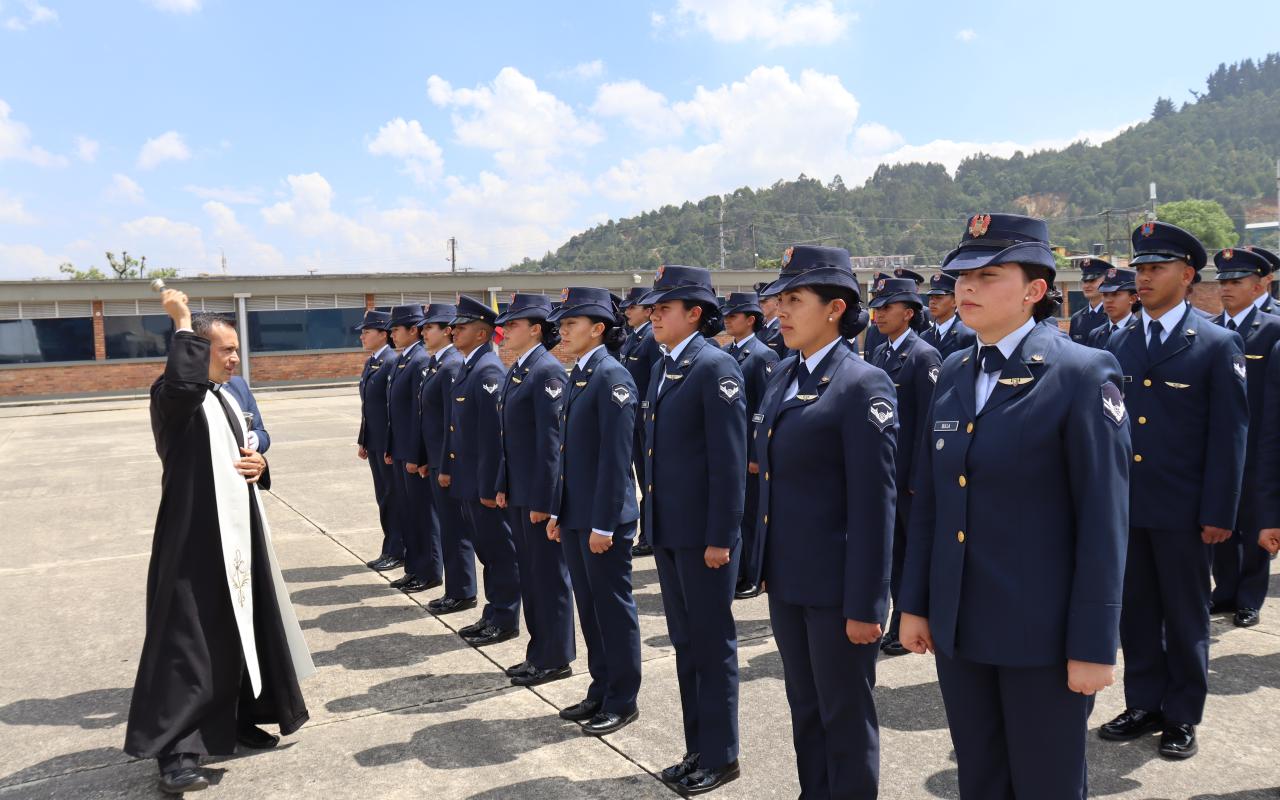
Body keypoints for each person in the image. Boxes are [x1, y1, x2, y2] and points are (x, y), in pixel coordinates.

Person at [897, 213, 1130, 799]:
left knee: (1046, 782)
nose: (966, 287)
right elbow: (932, 502)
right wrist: (917, 604)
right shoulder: (953, 370)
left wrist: (1094, 644)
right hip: (960, 629)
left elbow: (1104, 521)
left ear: (1034, 291)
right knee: (980, 778)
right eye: (961, 276)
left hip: (1041, 636)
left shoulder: (1080, 373)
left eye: (988, 274)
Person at [125, 290, 313, 795]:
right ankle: (177, 748)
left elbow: (249, 448)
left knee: (238, 629)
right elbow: (183, 384)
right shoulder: (173, 396)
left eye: (236, 349)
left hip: (237, 533)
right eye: (223, 350)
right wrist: (182, 321)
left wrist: (261, 465)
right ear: (193, 352)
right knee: (188, 642)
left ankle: (231, 720)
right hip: (193, 538)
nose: (234, 358)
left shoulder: (226, 396)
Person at [747, 245, 897, 799]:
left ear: (835, 308)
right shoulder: (784, 373)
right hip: (789, 581)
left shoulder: (861, 385)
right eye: (778, 300)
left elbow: (874, 505)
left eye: (793, 300)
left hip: (837, 589)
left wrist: (866, 605)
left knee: (845, 714)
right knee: (805, 707)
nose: (779, 311)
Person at [1099, 221, 1247, 760]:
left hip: (1185, 512)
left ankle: (1182, 713)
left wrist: (1219, 511)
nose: (1143, 278)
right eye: (1139, 268)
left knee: (1185, 616)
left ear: (1187, 276)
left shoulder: (1215, 343)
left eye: (1155, 268)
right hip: (1128, 506)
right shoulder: (1117, 341)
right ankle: (1144, 702)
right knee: (1134, 611)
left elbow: (1230, 437)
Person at [639, 265, 746, 795]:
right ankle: (697, 746)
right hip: (671, 531)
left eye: (665, 308)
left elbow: (729, 462)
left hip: (704, 539)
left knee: (711, 644)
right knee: (685, 644)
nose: (654, 314)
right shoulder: (665, 367)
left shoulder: (714, 367)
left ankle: (722, 754)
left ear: (695, 314)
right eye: (653, 307)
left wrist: (721, 538)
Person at [546, 287, 643, 735]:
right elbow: (569, 455)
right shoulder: (580, 374)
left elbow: (615, 459)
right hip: (576, 516)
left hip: (603, 521)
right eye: (562, 324)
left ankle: (622, 699)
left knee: (612, 610)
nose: (562, 331)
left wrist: (604, 523)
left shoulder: (612, 377)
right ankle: (600, 687)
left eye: (571, 324)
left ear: (598, 329)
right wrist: (557, 512)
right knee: (590, 608)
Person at [493, 294, 575, 686]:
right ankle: (538, 652)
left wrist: (546, 502)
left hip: (537, 500)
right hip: (520, 494)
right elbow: (509, 439)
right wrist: (504, 486)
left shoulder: (547, 372)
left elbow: (551, 446)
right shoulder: (520, 369)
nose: (505, 331)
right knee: (531, 578)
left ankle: (556, 656)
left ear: (536, 329)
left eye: (513, 325)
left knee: (548, 579)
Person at [440, 296, 522, 646]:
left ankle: (504, 618)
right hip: (468, 480)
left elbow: (494, 436)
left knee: (499, 553)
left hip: (483, 483)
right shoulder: (468, 365)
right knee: (486, 552)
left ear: (482, 333)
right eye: (454, 326)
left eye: (462, 326)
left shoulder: (488, 369)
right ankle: (493, 612)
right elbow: (457, 428)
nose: (454, 331)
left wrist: (491, 487)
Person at [866, 276, 942, 657]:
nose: (877, 314)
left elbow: (929, 422)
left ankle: (911, 619)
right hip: (888, 475)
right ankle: (898, 619)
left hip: (910, 479)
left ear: (908, 313)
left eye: (886, 308)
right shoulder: (880, 353)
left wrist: (918, 477)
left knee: (914, 554)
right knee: (893, 553)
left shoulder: (924, 356)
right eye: (876, 307)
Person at [1210, 248, 1280, 627]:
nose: (1226, 289)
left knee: (1254, 523)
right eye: (1222, 281)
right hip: (1218, 444)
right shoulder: (1209, 328)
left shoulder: (1272, 330)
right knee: (1221, 520)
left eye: (1235, 282)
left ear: (1258, 286)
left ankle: (1250, 597)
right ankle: (1224, 592)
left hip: (1256, 444)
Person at [416, 304, 479, 617]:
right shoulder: (438, 364)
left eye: (431, 327)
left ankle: (463, 590)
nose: (424, 332)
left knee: (455, 529)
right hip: (439, 459)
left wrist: (445, 464)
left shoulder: (452, 365)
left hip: (449, 462)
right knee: (449, 528)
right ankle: (455, 589)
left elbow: (451, 424)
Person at [719, 291, 779, 600]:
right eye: (726, 315)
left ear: (751, 320)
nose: (727, 319)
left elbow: (766, 409)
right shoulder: (728, 353)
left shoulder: (762, 356)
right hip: (732, 449)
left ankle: (755, 574)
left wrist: (757, 453)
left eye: (733, 315)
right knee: (736, 512)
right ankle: (739, 569)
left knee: (753, 515)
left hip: (750, 451)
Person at [385, 305, 444, 595]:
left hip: (413, 453)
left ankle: (429, 570)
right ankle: (414, 567)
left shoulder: (420, 360)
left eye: (397, 329)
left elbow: (419, 416)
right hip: (401, 451)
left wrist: (415, 455)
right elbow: (393, 412)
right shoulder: (403, 360)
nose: (392, 335)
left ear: (412, 331)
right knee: (409, 513)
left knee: (424, 515)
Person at [354, 310, 404, 572]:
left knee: (392, 497)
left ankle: (397, 550)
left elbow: (392, 409)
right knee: (383, 497)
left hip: (387, 444)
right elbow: (369, 407)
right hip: (374, 442)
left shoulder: (390, 362)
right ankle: (390, 547)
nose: (362, 336)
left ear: (383, 335)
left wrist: (387, 444)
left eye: (367, 331)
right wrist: (364, 439)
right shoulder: (373, 361)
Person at [619, 287, 662, 558]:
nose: (627, 311)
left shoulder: (652, 339)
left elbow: (656, 380)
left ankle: (650, 534)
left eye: (632, 307)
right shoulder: (633, 338)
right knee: (641, 478)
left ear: (647, 310)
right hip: (634, 420)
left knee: (649, 480)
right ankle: (647, 532)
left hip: (647, 421)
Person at [920, 273, 976, 359]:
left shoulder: (968, 335)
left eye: (938, 297)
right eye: (931, 297)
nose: (932, 302)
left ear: (955, 301)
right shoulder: (924, 336)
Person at [1086, 268, 1140, 349]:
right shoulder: (1095, 334)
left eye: (1115, 294)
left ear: (1132, 298)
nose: (1108, 300)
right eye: (1105, 295)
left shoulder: (1142, 332)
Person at [1068, 258, 1109, 344]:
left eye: (1092, 280)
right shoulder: (1076, 318)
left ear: (1106, 281)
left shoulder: (1113, 315)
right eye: (1085, 281)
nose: (1087, 285)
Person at [755, 282, 790, 359]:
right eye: (758, 302)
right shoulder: (757, 327)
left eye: (764, 301)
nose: (760, 305)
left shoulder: (784, 327)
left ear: (777, 303)